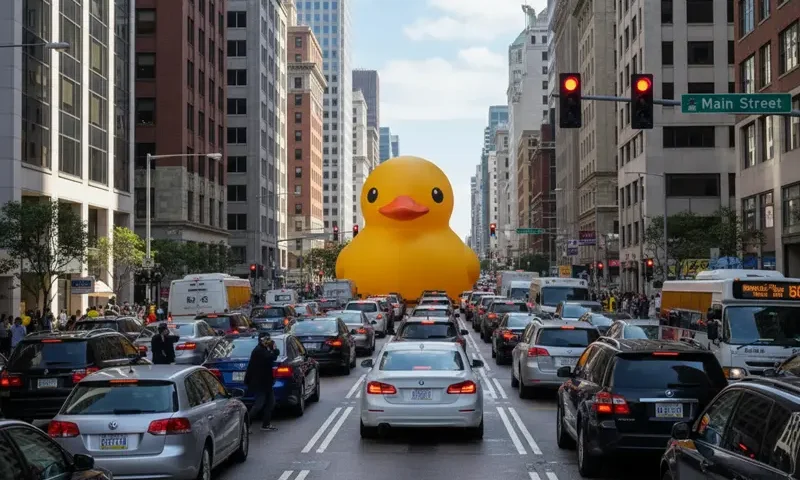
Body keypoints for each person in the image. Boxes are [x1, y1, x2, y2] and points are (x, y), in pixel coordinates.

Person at [244, 332, 280, 431]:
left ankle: (266, 424)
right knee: (259, 405)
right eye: (266, 340)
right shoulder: (258, 351)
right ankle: (245, 426)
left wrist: (273, 350)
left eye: (269, 340)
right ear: (261, 340)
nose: (268, 342)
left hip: (267, 382)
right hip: (259, 383)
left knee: (271, 403)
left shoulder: (264, 349)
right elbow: (271, 356)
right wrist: (274, 349)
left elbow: (272, 358)